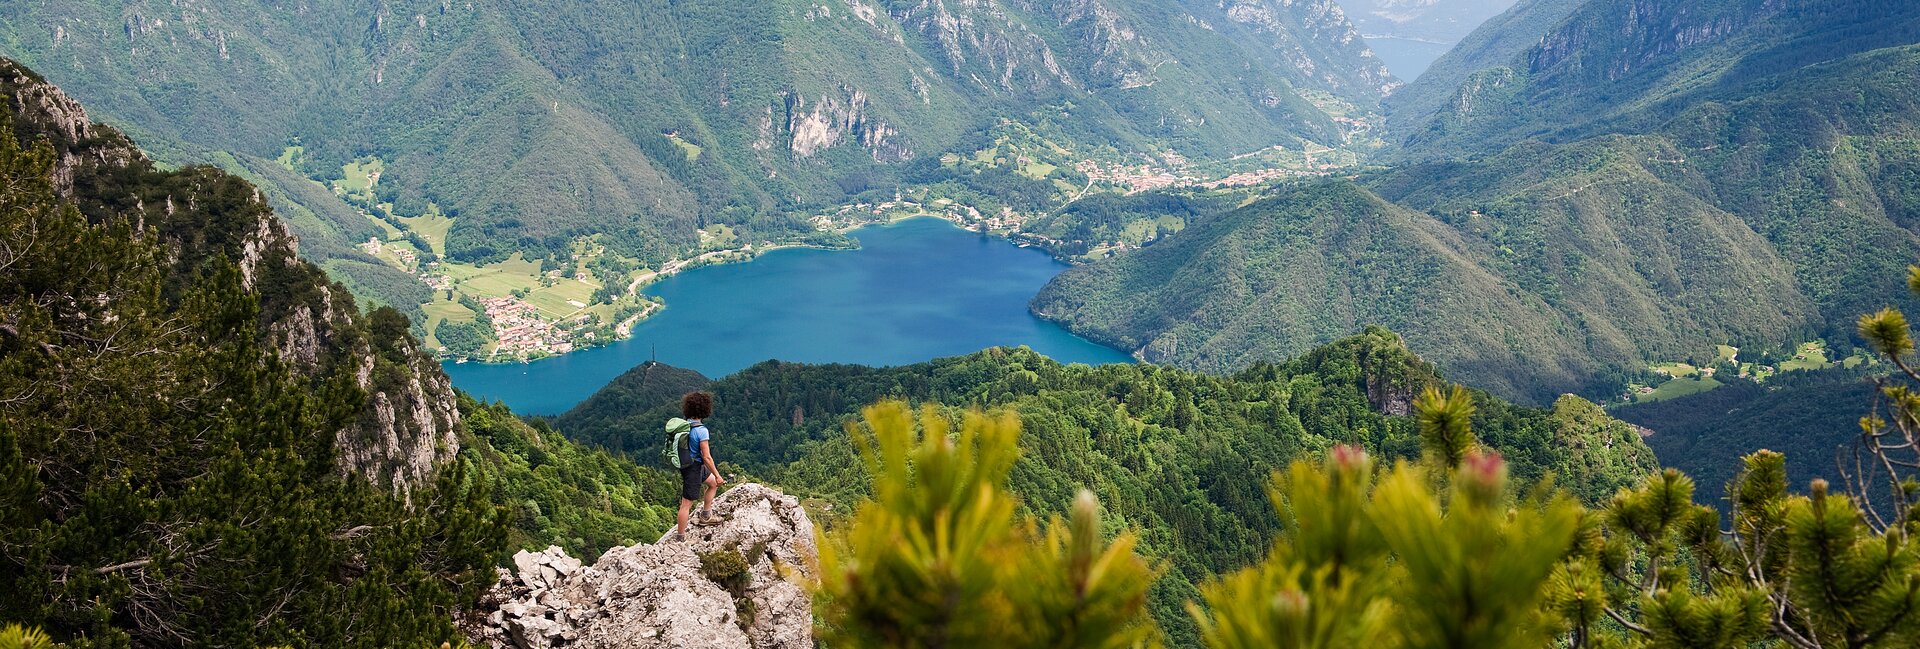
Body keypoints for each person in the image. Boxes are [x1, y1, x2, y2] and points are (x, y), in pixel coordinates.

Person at [674, 391, 726, 541]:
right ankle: (680, 538)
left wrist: (714, 478)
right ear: (704, 409)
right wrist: (717, 474)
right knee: (686, 504)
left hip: (689, 464)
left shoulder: (685, 426)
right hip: (693, 468)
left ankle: (706, 515)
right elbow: (707, 457)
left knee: (712, 484)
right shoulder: (701, 431)